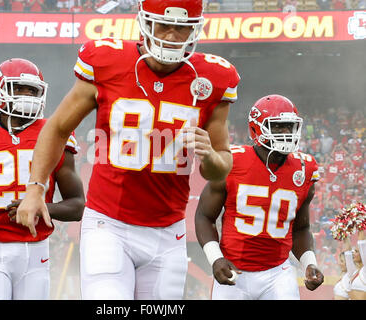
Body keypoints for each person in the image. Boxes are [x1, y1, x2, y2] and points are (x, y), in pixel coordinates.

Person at [16, 0, 240, 300]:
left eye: (182, 28)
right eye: (165, 24)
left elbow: (221, 165)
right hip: (109, 224)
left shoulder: (213, 79)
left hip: (167, 230)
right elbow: (57, 127)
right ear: (145, 22)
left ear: (196, 29)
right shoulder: (107, 61)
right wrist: (35, 188)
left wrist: (210, 157)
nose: (173, 35)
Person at [0, 58, 85, 300]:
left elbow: (77, 205)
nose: (26, 95)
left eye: (32, 90)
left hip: (36, 250)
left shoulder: (54, 132)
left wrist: (42, 207)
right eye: (18, 88)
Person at [195, 94, 324, 300]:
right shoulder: (232, 161)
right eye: (278, 127)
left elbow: (301, 228)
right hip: (233, 270)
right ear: (257, 128)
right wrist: (215, 258)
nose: (286, 133)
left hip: (277, 272)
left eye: (289, 127)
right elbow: (204, 216)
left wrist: (309, 263)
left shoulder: (304, 168)